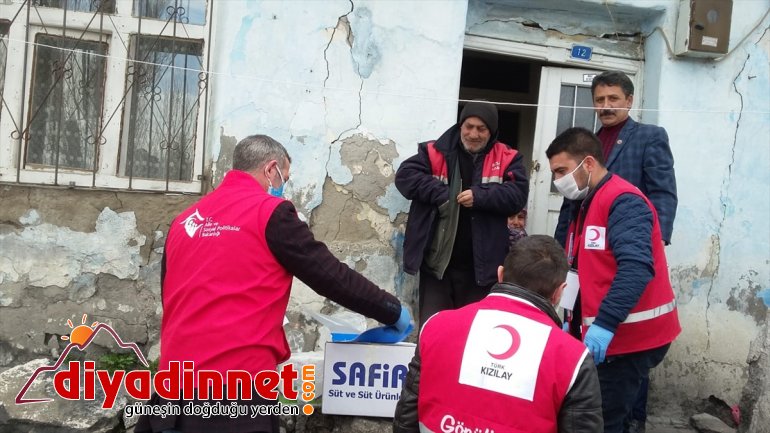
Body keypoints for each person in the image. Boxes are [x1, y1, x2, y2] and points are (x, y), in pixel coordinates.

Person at [135, 134, 411, 433]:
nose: (282, 187)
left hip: (171, 394)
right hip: (234, 396)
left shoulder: (184, 221)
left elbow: (170, 296)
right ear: (271, 169)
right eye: (284, 178)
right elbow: (331, 276)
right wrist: (392, 310)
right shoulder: (271, 213)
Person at [554, 71, 678, 433]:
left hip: (628, 250)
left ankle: (632, 420)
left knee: (628, 351)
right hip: (588, 255)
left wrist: (653, 242)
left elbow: (663, 192)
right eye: (600, 100)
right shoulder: (588, 142)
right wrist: (562, 253)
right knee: (598, 354)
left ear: (629, 100)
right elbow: (571, 206)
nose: (606, 106)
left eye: (613, 99)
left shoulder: (649, 137)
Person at [393, 235, 603, 433]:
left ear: (500, 274)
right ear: (559, 292)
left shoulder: (436, 326)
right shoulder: (573, 357)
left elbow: (406, 418)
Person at [395, 101, 529, 326]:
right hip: (438, 267)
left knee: (473, 332)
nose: (473, 134)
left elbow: (518, 194)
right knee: (434, 328)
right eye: (469, 126)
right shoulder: (434, 151)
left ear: (492, 131)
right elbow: (405, 177)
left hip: (482, 271)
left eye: (481, 129)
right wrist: (443, 194)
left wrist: (480, 196)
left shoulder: (508, 157)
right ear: (460, 126)